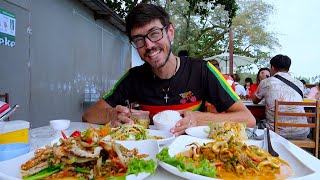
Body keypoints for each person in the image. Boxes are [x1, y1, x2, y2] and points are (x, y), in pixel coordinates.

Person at [82, 3, 255, 136]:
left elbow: (248, 119)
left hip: (192, 154)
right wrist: (111, 115)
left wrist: (201, 118)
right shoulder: (134, 77)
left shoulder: (202, 70)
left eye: (155, 33)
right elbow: (89, 115)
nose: (149, 45)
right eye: (139, 40)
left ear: (170, 32)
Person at [252, 54, 309, 139]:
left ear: (273, 67)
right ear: (288, 68)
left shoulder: (266, 82)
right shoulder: (299, 84)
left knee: (254, 126)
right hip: (302, 132)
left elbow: (254, 100)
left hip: (276, 132)